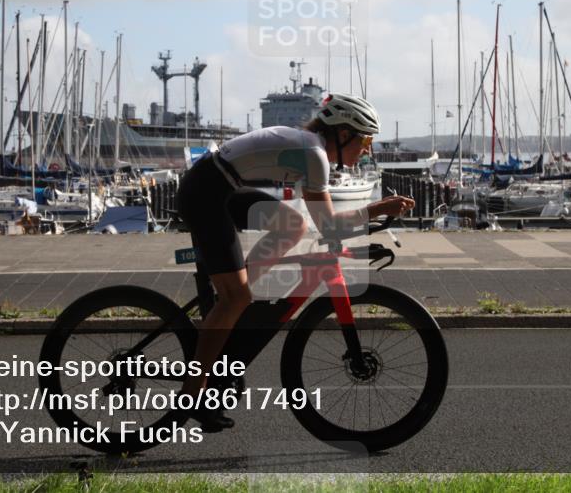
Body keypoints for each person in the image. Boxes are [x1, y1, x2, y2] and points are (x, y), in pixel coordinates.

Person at [175, 93, 415, 431]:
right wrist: (378, 208)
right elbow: (330, 224)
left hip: (219, 185)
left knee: (293, 225)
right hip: (206, 193)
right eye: (365, 140)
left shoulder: (312, 149)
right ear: (343, 133)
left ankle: (233, 296)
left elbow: (318, 221)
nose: (368, 149)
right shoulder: (314, 154)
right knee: (237, 297)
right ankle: (193, 392)